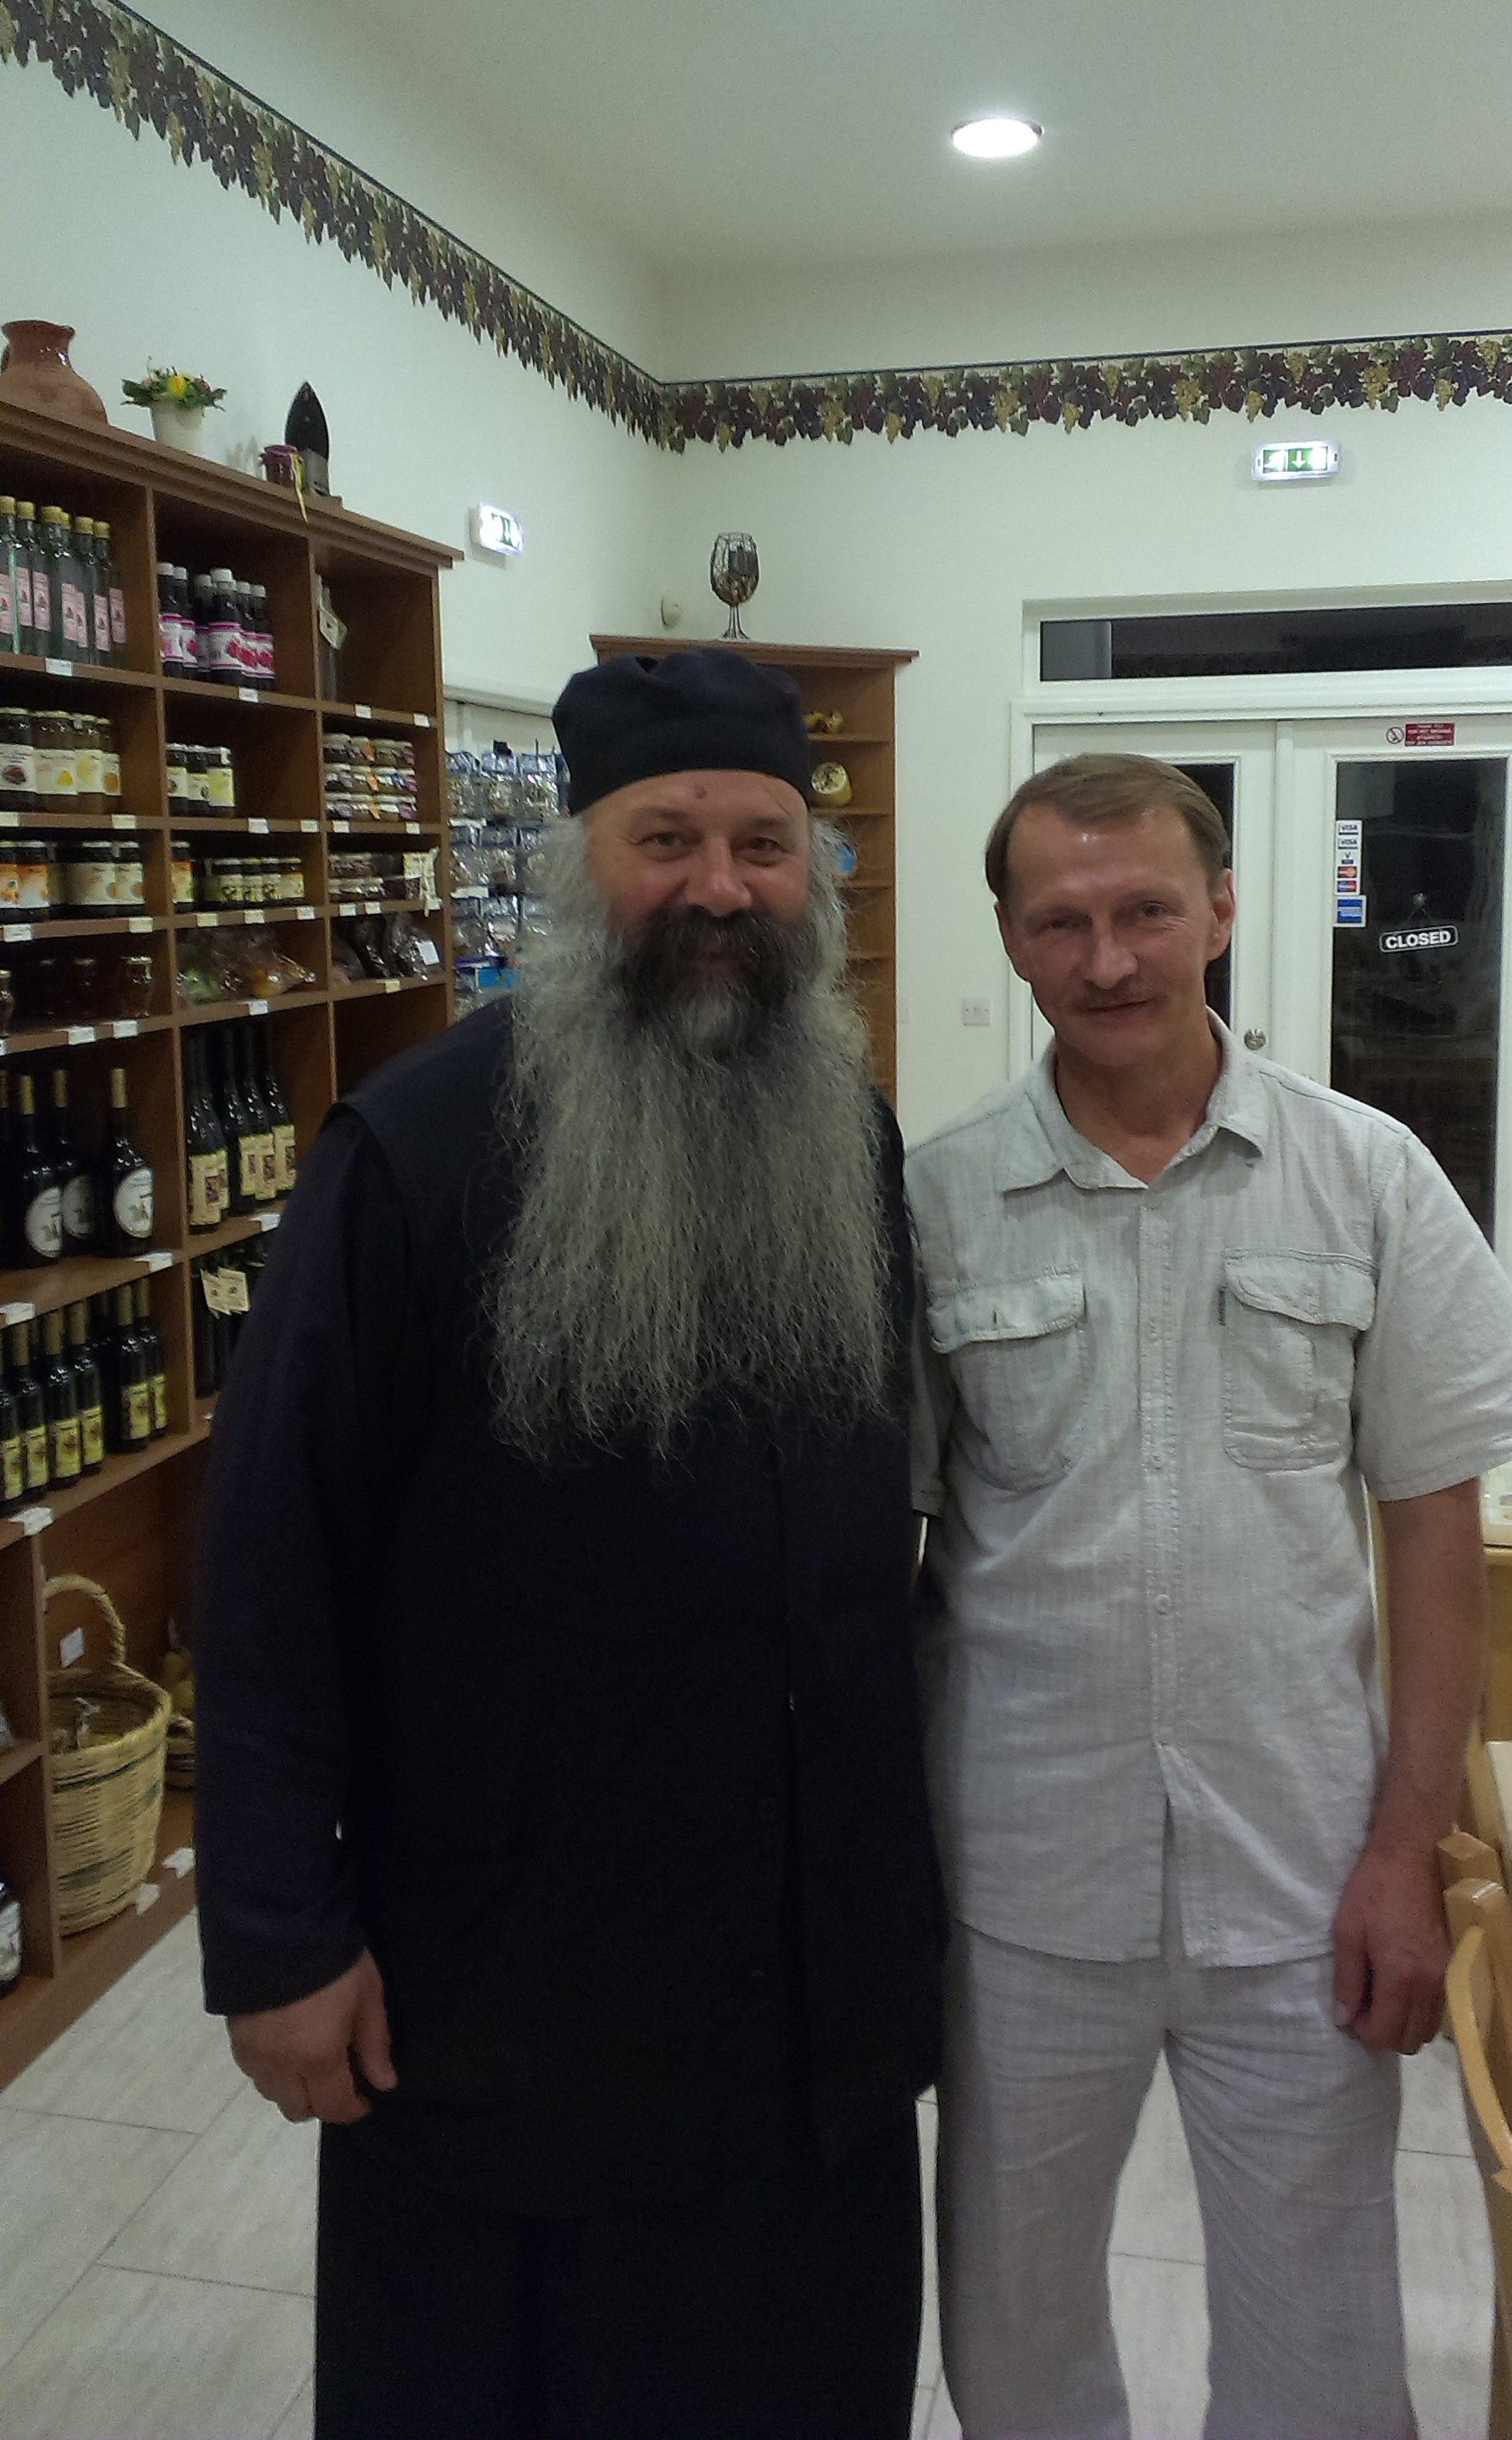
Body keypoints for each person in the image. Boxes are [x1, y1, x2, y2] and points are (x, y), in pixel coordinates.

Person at [194, 647, 943, 2440]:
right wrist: (281, 1935)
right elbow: (274, 1554)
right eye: (664, 838)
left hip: (805, 1978)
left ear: (817, 874)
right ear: (575, 862)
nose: (718, 888)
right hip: (516, 1977)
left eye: (763, 844)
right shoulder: (414, 1150)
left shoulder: (847, 1131)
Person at [906, 752, 1512, 2440]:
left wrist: (1407, 1848)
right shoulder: (932, 1202)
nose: (1108, 958)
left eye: (1144, 910)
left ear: (1218, 909)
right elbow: (871, 1552)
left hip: (1302, 1875)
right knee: (1013, 2326)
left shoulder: (1365, 1175)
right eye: (1062, 921)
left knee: (1321, 2341)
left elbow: (1433, 1523)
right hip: (1020, 1877)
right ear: (1011, 939)